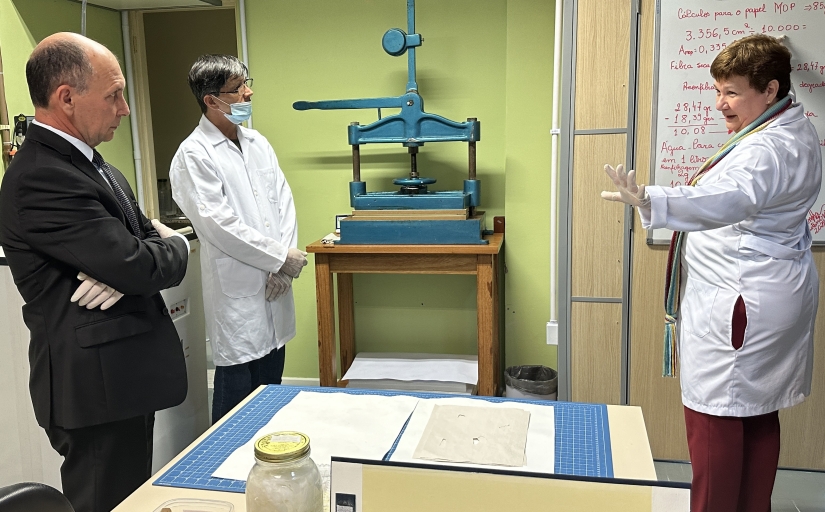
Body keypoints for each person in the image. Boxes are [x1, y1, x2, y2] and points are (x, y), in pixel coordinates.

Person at [601, 34, 821, 512]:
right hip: (772, 291)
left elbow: (732, 198)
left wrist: (650, 199)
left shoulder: (765, 151)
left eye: (732, 92)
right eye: (717, 89)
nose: (720, 104)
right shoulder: (791, 124)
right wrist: (770, 46)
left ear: (770, 90)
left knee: (716, 420)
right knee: (758, 413)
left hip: (740, 303)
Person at [0, 33, 191, 512]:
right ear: (66, 97)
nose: (124, 109)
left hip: (121, 382)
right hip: (93, 392)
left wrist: (142, 253)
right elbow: (138, 260)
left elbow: (136, 245)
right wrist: (173, 247)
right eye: (114, 95)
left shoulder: (92, 165)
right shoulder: (43, 176)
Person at [170, 54, 307, 424]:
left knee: (271, 393)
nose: (248, 93)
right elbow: (218, 223)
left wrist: (286, 262)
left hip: (275, 286)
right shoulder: (193, 155)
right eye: (237, 89)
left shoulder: (258, 142)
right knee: (237, 402)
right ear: (211, 100)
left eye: (246, 84)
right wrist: (278, 259)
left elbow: (283, 202)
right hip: (239, 294)